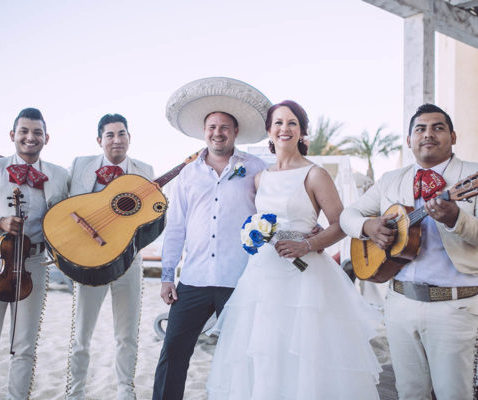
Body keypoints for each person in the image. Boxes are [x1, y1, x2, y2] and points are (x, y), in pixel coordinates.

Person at [206, 100, 381, 399]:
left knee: (306, 354)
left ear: (301, 132)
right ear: (269, 132)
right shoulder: (261, 177)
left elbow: (341, 223)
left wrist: (307, 244)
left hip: (304, 278)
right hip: (262, 277)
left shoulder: (315, 174)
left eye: (291, 123)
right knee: (263, 351)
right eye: (278, 123)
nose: (284, 128)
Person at [340, 103, 478, 399]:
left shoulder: (473, 174)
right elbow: (347, 216)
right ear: (409, 140)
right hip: (400, 303)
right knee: (409, 393)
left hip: (455, 307)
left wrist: (456, 219)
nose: (428, 134)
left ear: (453, 137)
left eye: (438, 128)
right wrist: (368, 226)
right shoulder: (391, 179)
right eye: (420, 129)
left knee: (455, 394)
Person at [152, 77, 271, 400]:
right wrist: (167, 276)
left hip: (240, 279)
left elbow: (270, 217)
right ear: (204, 132)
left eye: (225, 128)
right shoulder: (187, 175)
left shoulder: (256, 167)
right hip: (194, 278)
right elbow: (175, 228)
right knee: (173, 351)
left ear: (235, 132)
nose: (218, 133)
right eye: (212, 127)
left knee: (243, 356)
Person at [66, 113, 154, 400]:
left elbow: (151, 217)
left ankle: (125, 390)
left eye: (122, 134)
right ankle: (75, 391)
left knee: (127, 334)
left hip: (129, 262)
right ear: (99, 140)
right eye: (110, 135)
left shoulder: (145, 170)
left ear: (129, 137)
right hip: (89, 263)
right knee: (81, 335)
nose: (117, 140)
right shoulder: (80, 166)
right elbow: (64, 206)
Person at [0, 108, 69, 399]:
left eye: (37, 132)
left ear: (46, 137)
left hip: (34, 264)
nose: (30, 137)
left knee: (25, 347)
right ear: (12, 135)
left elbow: (67, 216)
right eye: (24, 131)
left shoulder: (59, 175)